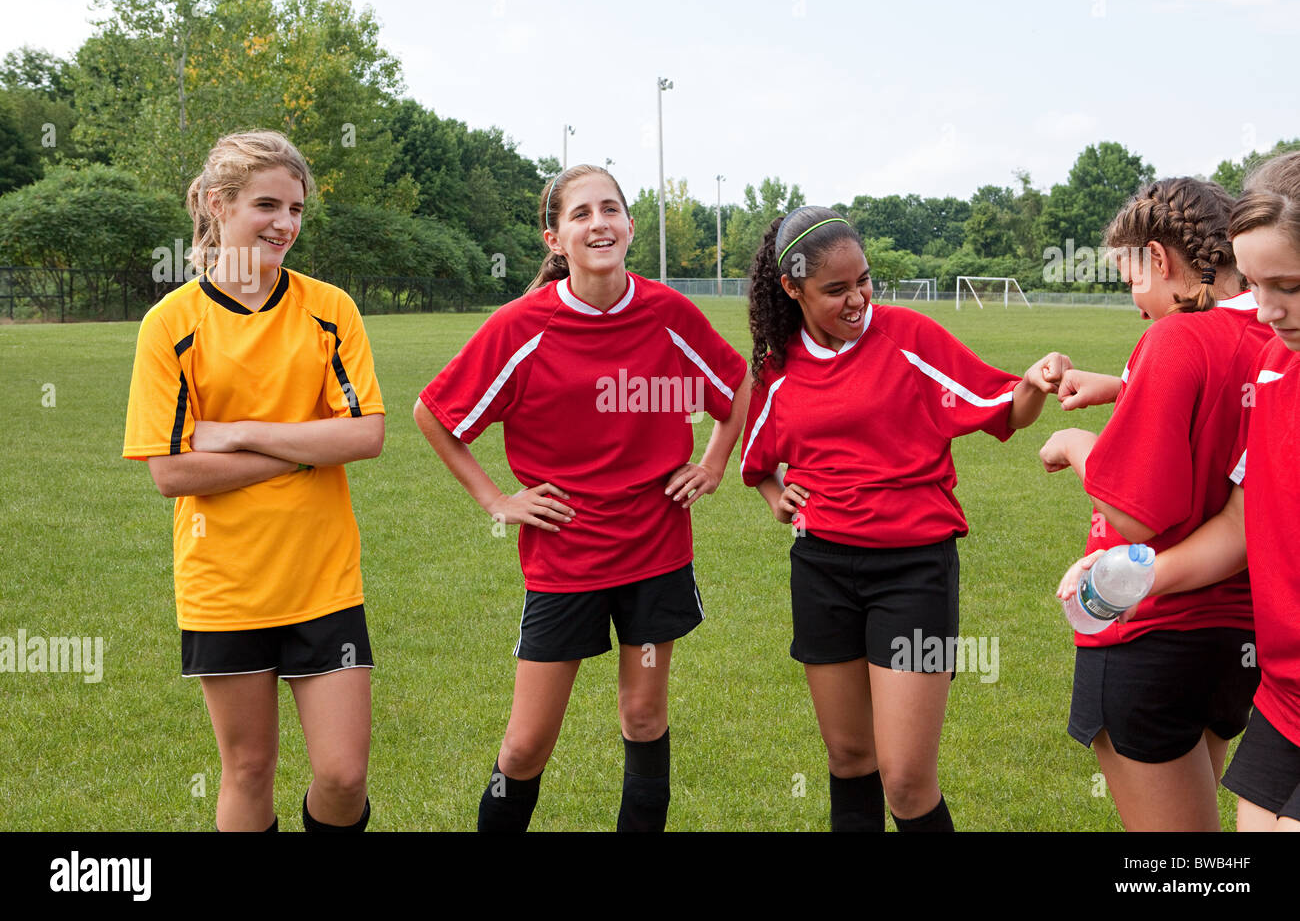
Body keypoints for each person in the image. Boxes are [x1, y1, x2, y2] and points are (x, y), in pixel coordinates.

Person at [414, 164, 751, 831]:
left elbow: (738, 386)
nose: (599, 223)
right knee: (526, 743)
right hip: (565, 560)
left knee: (644, 717)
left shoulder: (668, 312)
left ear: (629, 225)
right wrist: (496, 501)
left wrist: (714, 463)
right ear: (555, 238)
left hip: (655, 553)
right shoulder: (521, 327)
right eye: (581, 214)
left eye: (611, 210)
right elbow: (435, 413)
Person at [740, 205, 1068, 831]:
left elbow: (1002, 408)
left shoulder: (908, 337)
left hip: (913, 570)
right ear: (792, 288)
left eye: (863, 279)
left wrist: (1031, 381)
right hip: (822, 570)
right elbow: (757, 458)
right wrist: (773, 494)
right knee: (848, 759)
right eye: (835, 290)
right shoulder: (779, 366)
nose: (857, 297)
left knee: (907, 779)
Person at [122, 130, 385, 832]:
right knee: (247, 770)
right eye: (267, 204)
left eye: (296, 209)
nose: (285, 224)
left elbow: (364, 435)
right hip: (225, 585)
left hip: (323, 578)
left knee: (343, 774)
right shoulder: (170, 325)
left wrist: (238, 433)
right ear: (218, 204)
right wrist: (308, 447)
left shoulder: (331, 310)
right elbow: (173, 471)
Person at [1059, 151, 1300, 831]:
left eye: (1130, 277)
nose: (1267, 307)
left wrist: (1079, 446)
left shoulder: (1180, 339)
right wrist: (1124, 388)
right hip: (1252, 657)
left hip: (1151, 635)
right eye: (1260, 284)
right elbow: (1242, 492)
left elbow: (1135, 515)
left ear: (1159, 259)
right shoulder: (1273, 346)